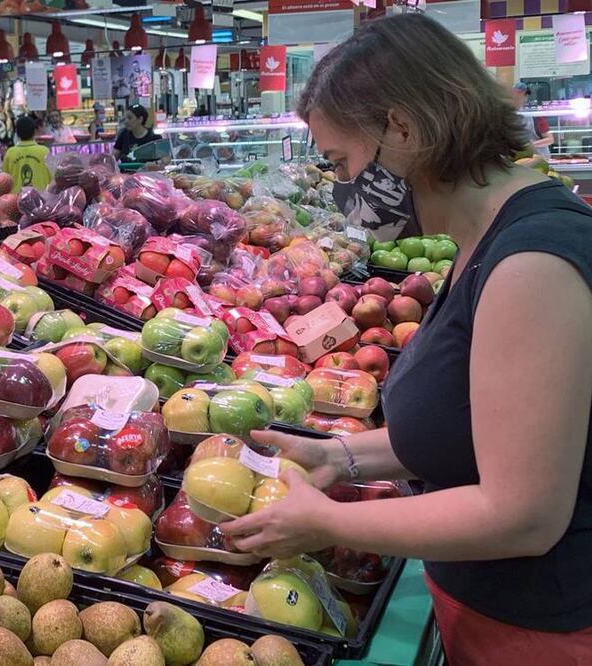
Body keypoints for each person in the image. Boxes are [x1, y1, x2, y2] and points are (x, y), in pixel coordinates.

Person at [218, 14, 592, 665]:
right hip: (495, 615)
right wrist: (339, 457)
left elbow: (524, 514)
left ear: (402, 129)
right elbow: (473, 426)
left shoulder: (532, 263)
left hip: (543, 635)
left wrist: (327, 521)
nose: (341, 189)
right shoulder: (488, 237)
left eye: (341, 162)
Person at [2, 115, 49, 193]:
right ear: (34, 131)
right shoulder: (44, 151)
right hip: (41, 197)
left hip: (15, 198)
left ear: (17, 133)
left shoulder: (10, 153)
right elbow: (52, 178)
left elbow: (4, 180)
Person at [512, 82, 554, 159]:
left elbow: (550, 139)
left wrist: (531, 145)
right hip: (519, 158)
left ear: (526, 96)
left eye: (520, 95)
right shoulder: (510, 113)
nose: (516, 98)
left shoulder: (535, 114)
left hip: (539, 157)